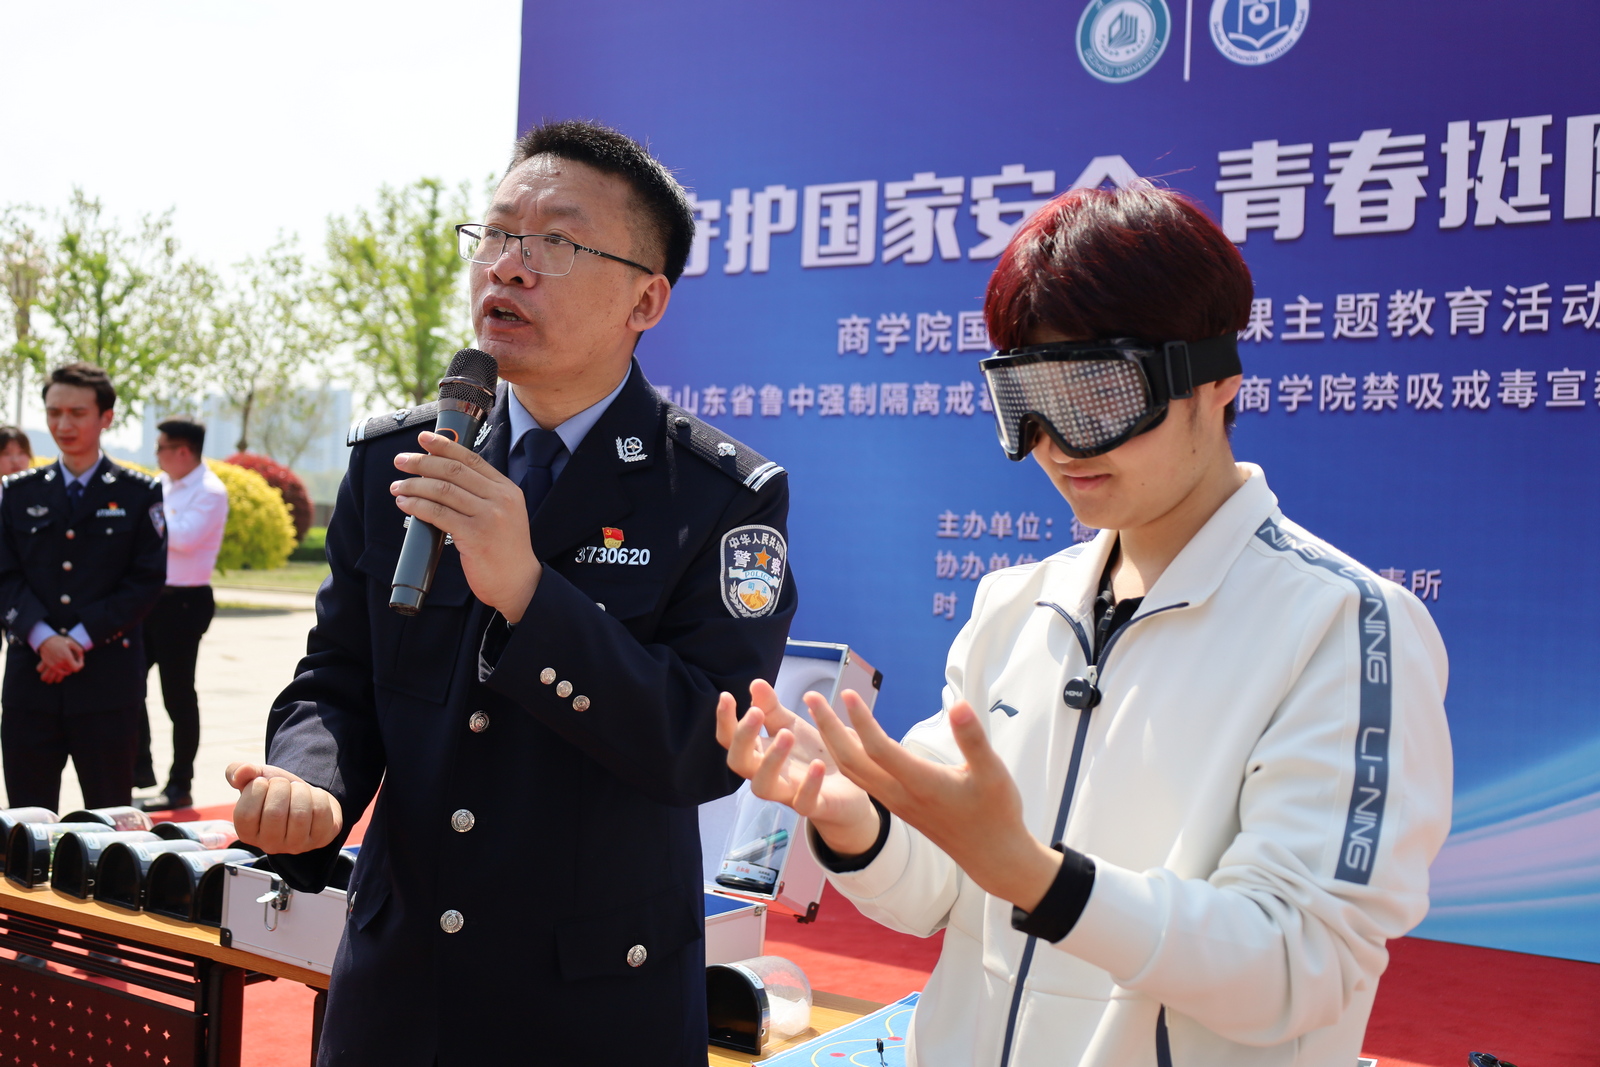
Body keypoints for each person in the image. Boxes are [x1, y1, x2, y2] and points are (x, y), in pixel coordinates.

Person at [718, 186, 1453, 1067]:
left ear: (1217, 381)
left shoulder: (1345, 625)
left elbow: (1298, 965)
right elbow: (933, 894)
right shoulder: (1015, 606)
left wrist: (1039, 876)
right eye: (1026, 397)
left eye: (1099, 393)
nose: (1059, 442)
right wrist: (856, 821)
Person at [225, 120, 797, 1066]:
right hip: (399, 991)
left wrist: (532, 595)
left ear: (646, 299)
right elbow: (340, 677)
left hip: (593, 1006)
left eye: (557, 243)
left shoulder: (719, 496)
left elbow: (704, 746)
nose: (508, 266)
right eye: (495, 235)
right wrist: (310, 780)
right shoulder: (401, 459)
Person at [0, 363, 166, 812]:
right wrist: (43, 638)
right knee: (25, 826)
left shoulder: (138, 493)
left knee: (107, 821)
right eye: (54, 413)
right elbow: (5, 575)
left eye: (77, 413)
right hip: (31, 681)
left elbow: (146, 580)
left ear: (106, 417)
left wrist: (75, 639)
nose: (63, 425)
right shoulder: (17, 492)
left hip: (107, 683)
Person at [133, 417, 228, 811]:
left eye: (161, 448)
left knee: (177, 696)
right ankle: (139, 769)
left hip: (184, 604)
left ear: (183, 451)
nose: (156, 455)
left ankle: (180, 784)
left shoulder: (209, 491)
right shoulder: (162, 485)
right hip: (149, 599)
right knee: (126, 682)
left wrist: (147, 515)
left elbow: (184, 538)